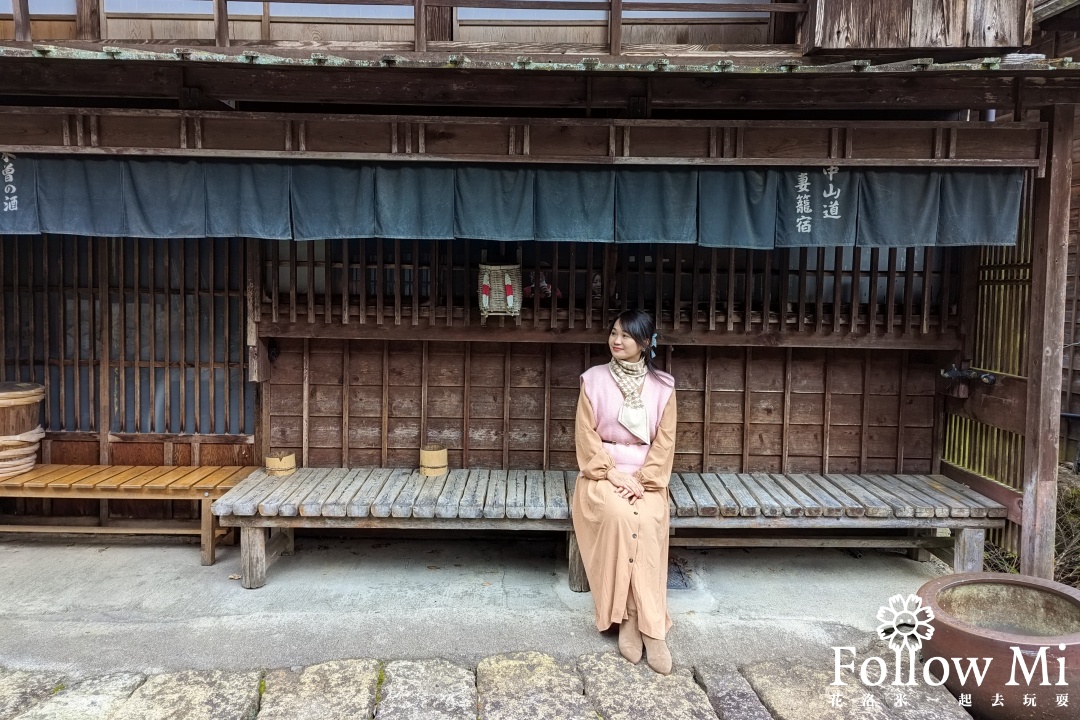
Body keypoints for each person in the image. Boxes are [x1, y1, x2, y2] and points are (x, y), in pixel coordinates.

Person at [572, 308, 677, 675]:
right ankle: (632, 618)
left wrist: (644, 480)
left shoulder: (663, 387)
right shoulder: (593, 380)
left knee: (647, 520)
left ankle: (646, 625)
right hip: (602, 476)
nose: (617, 340)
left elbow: (664, 445)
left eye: (627, 336)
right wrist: (612, 474)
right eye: (614, 333)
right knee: (618, 517)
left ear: (645, 344)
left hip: (647, 479)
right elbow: (585, 437)